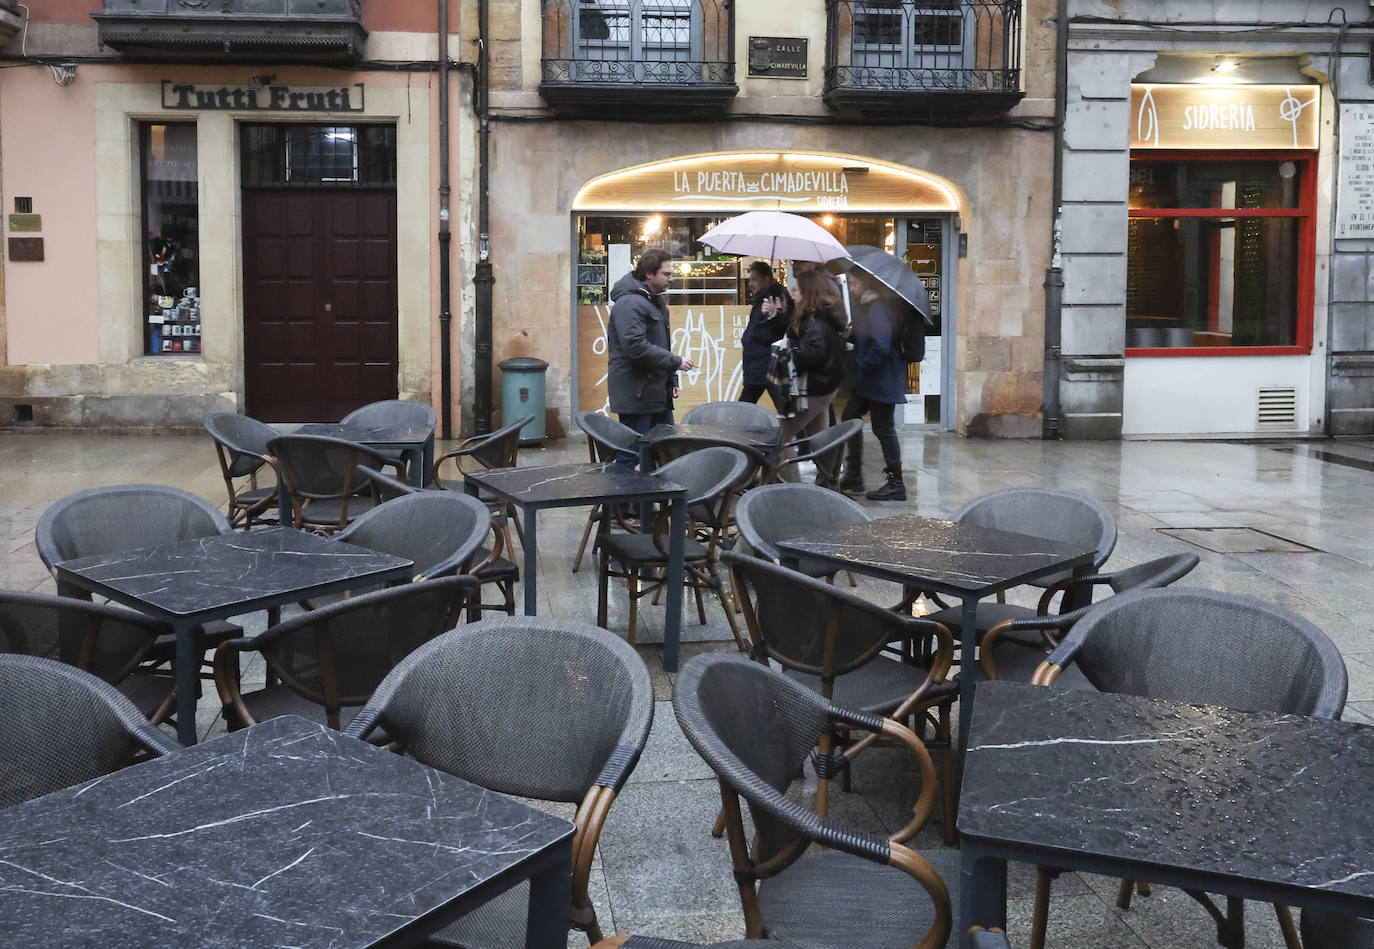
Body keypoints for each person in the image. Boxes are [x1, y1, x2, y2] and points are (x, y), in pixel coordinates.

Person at [606, 247, 695, 463]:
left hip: (655, 394)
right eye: (666, 274)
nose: (671, 278)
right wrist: (675, 362)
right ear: (649, 274)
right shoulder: (630, 303)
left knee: (664, 451)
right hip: (637, 396)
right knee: (632, 455)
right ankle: (620, 495)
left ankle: (652, 496)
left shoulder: (654, 301)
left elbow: (660, 344)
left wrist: (671, 378)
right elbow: (635, 347)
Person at [840, 272, 909, 501]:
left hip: (881, 378)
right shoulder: (867, 307)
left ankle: (896, 483)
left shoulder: (877, 308)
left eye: (854, 283)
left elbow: (881, 344)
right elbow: (868, 339)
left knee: (883, 429)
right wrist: (851, 336)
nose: (850, 287)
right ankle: (853, 475)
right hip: (871, 379)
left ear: (865, 284)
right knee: (851, 418)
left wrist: (863, 363)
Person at [775, 268, 846, 482]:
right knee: (820, 441)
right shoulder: (819, 316)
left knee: (780, 439)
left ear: (808, 293)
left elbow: (811, 353)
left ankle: (792, 487)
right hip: (823, 387)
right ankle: (829, 484)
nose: (792, 293)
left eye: (796, 290)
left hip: (814, 389)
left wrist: (787, 353)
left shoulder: (814, 322)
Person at [738, 261, 791, 404]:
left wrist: (773, 316)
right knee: (782, 405)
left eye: (754, 279)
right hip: (759, 363)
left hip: (766, 363)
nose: (750, 283)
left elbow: (783, 326)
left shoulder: (776, 298)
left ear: (766, 279)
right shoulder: (764, 298)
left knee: (746, 405)